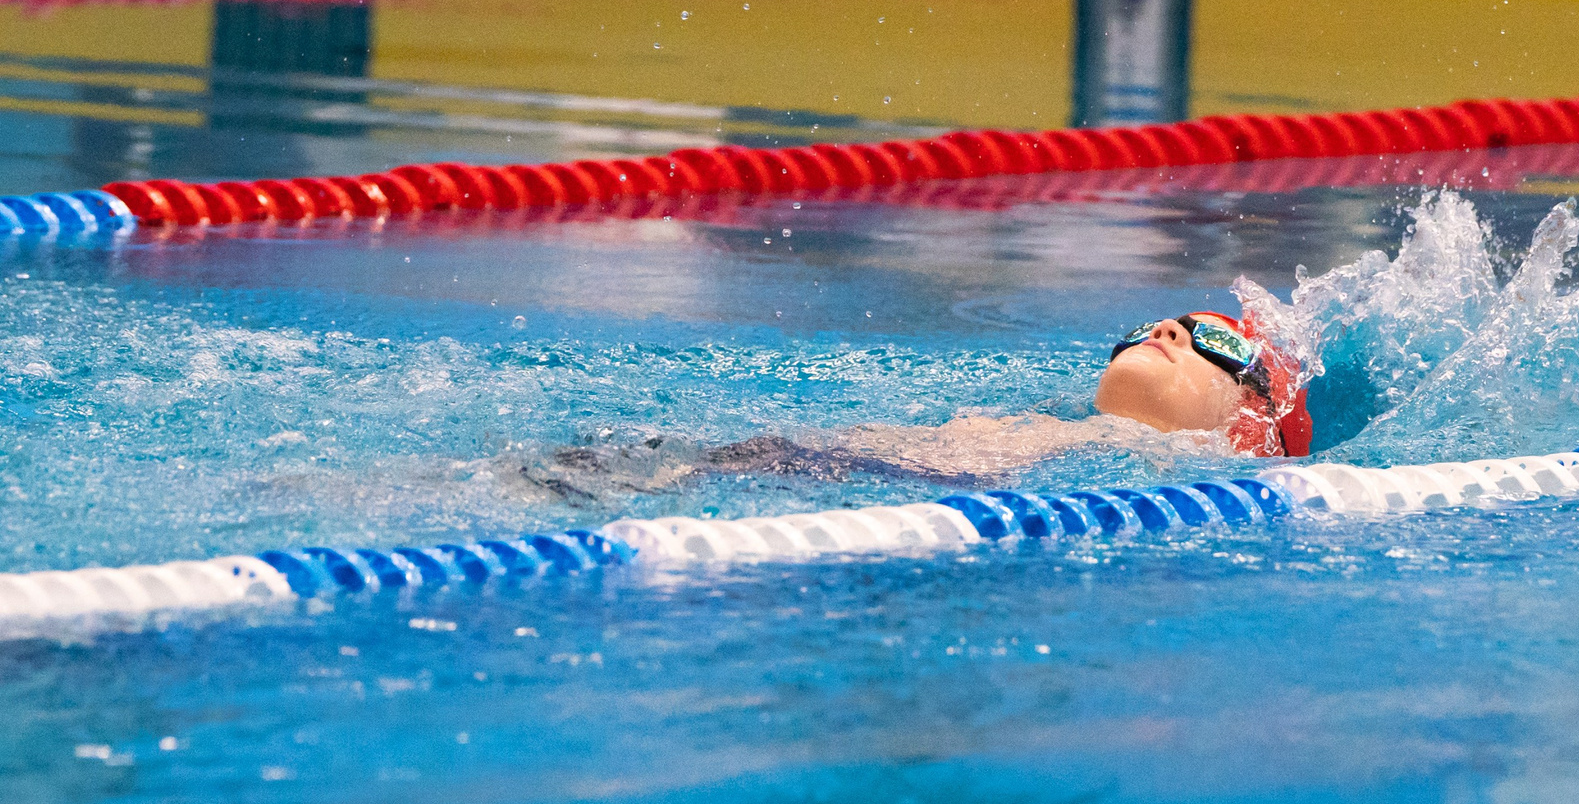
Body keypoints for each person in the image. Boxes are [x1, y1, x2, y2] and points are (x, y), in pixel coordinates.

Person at [517, 307, 1312, 500]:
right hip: (764, 472)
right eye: (1158, 324)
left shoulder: (1178, 485)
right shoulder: (1072, 437)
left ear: (1250, 424)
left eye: (1221, 344)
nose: (1167, 326)